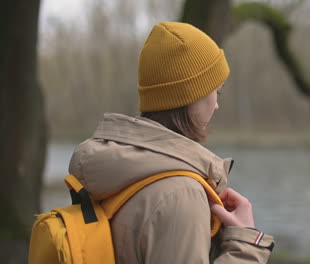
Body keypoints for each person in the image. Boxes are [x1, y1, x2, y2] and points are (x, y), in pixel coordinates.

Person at [68, 22, 274, 263]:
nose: (216, 104)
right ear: (191, 95)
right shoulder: (180, 194)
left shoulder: (112, 174)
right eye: (217, 92)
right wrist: (247, 245)